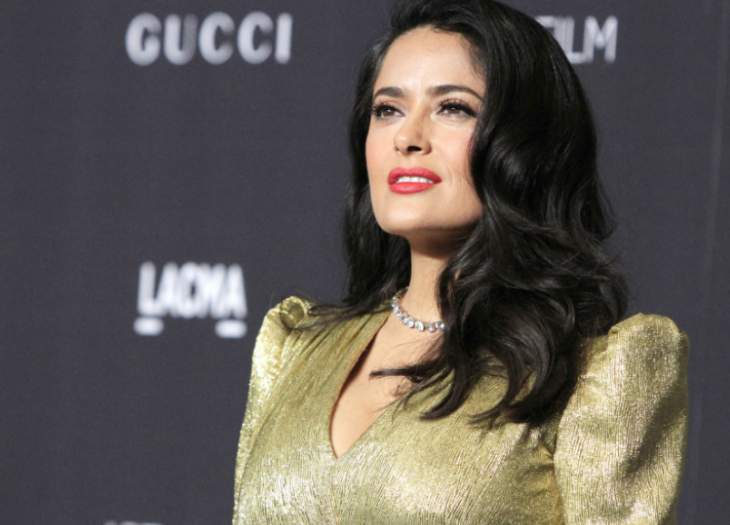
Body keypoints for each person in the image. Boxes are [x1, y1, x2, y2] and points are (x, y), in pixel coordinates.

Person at [232, 0, 689, 523]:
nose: (407, 138)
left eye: (452, 108)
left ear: (526, 144)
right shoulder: (293, 350)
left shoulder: (593, 375)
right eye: (387, 109)